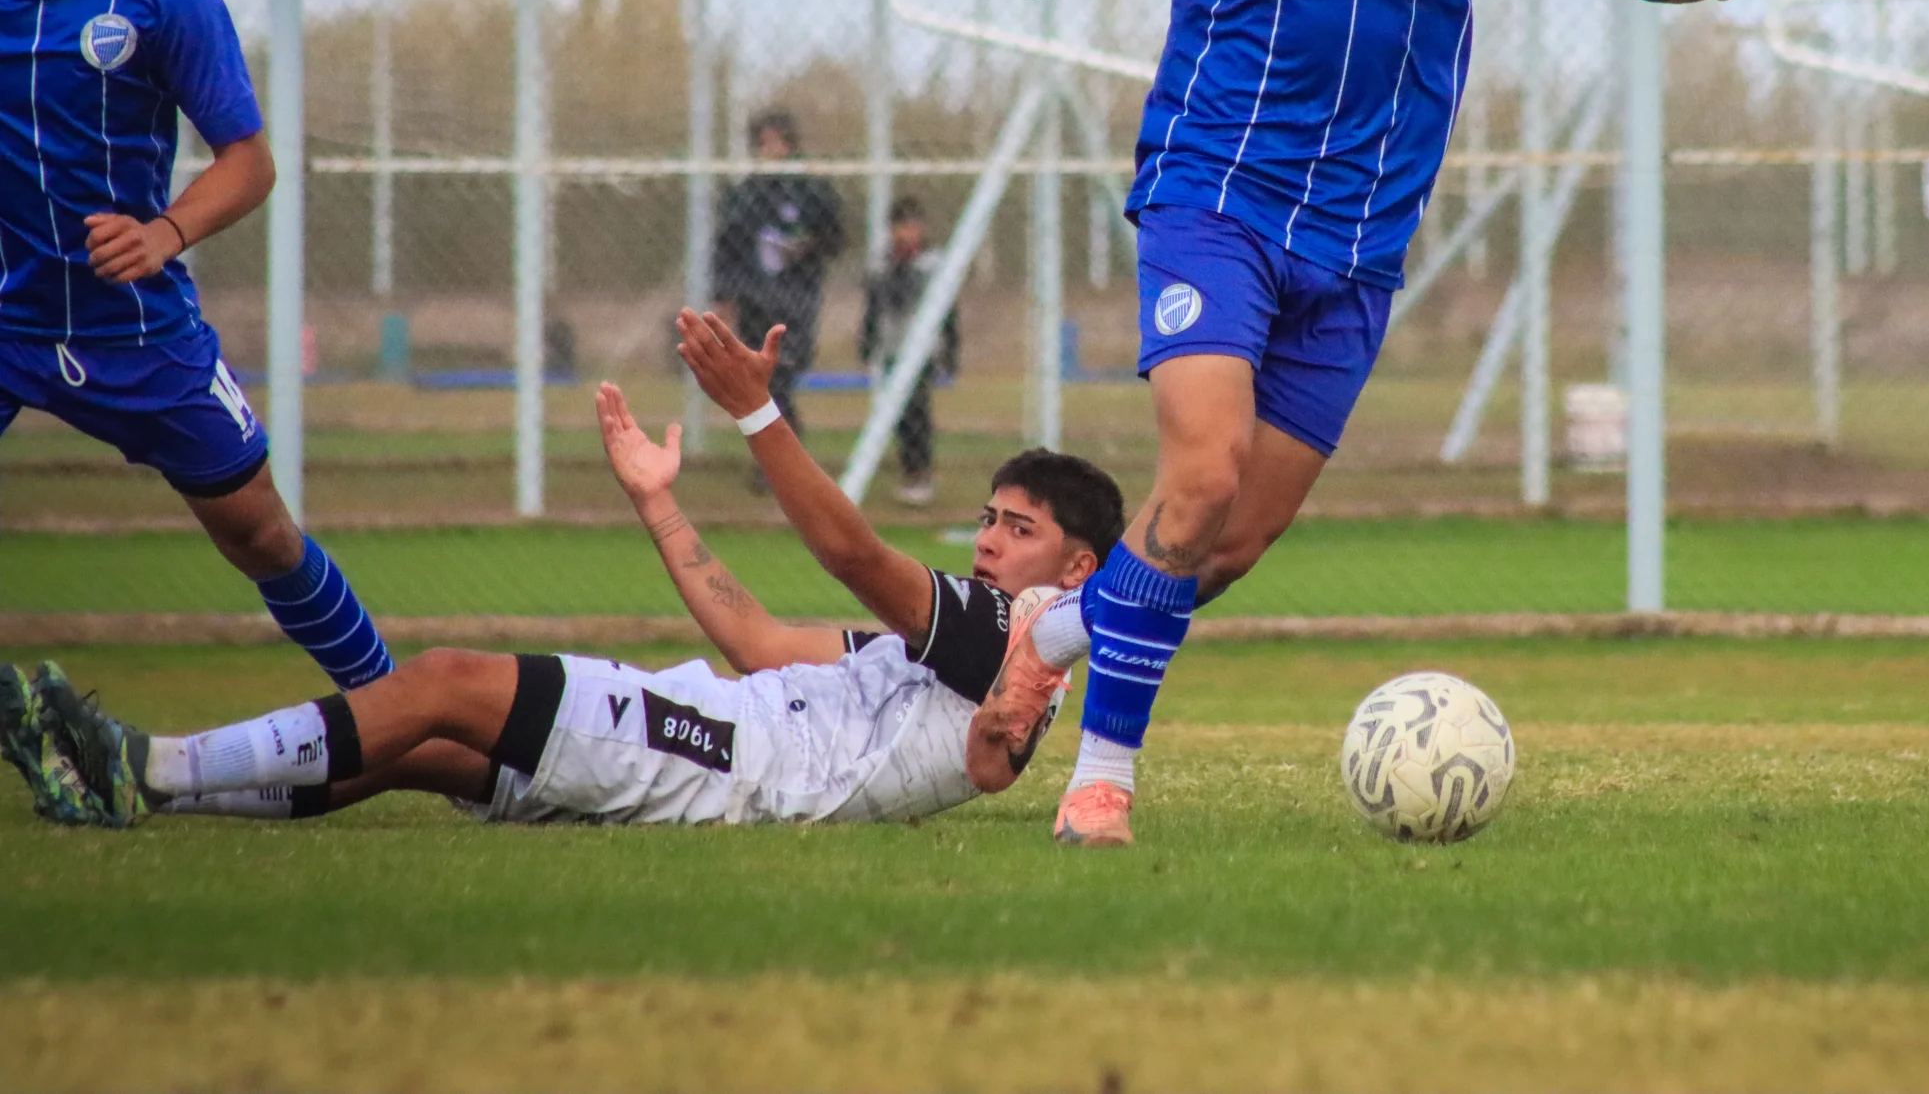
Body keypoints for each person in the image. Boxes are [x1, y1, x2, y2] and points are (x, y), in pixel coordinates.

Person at [1007, 0, 1816, 845]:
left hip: (1361, 242)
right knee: (1200, 474)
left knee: (1223, 547)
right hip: (1214, 197)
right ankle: (1103, 781)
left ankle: (1047, 633)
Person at [6, 309, 1120, 830]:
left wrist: (759, 410)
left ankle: (142, 766)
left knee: (444, 678)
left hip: (729, 762)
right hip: (721, 727)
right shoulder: (976, 651)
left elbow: (850, 552)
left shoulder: (1003, 636)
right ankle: (137, 790)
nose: (984, 538)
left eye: (1014, 527)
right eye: (986, 516)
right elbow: (759, 643)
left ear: (1080, 564)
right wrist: (658, 502)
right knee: (423, 746)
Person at [0, 0, 392, 691]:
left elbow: (249, 160)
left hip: (137, 330)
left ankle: (403, 718)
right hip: (8, 316)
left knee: (262, 534)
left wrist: (164, 234)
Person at [712, 108, 846, 474]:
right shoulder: (745, 195)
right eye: (763, 142)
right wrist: (723, 296)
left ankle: (781, 458)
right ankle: (778, 460)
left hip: (797, 301)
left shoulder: (811, 190)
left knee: (784, 373)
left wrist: (806, 245)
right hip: (755, 300)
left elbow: (836, 238)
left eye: (776, 141)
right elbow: (726, 247)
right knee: (763, 379)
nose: (770, 149)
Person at [860, 194, 960, 506]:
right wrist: (868, 342)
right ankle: (909, 471)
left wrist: (950, 350)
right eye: (900, 227)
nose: (906, 233)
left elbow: (949, 312)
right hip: (893, 346)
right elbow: (874, 308)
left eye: (912, 227)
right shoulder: (882, 263)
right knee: (898, 414)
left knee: (917, 410)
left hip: (922, 349)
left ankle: (921, 473)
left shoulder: (933, 263)